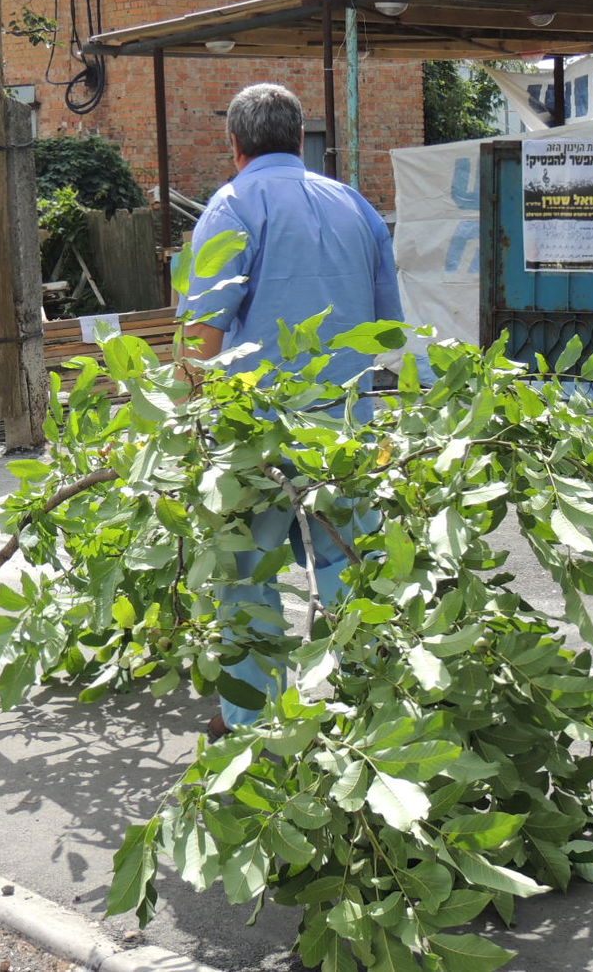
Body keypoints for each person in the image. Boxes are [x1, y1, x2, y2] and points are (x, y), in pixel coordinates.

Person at [176, 82, 403, 737]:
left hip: (258, 435)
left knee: (245, 575)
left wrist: (184, 424)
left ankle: (255, 722)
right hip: (346, 427)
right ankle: (374, 706)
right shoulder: (356, 206)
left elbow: (201, 337)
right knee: (350, 565)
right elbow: (388, 331)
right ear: (300, 138)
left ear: (234, 144)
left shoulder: (232, 206)